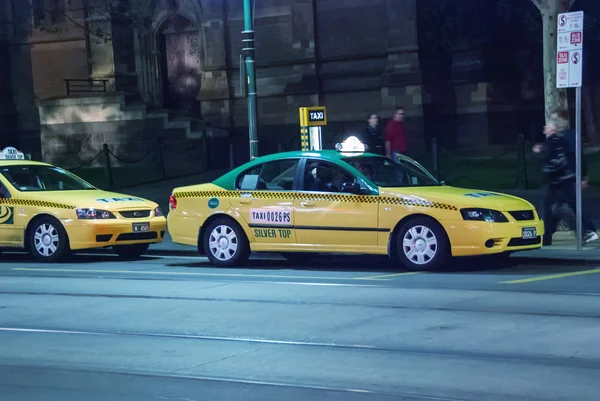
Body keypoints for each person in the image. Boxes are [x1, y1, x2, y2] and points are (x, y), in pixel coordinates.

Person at [533, 111, 598, 245]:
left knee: (556, 207)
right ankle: (584, 231)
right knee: (558, 206)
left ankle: (585, 231)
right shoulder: (569, 136)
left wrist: (541, 152)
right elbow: (579, 156)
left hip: (561, 179)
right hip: (567, 178)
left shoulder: (558, 138)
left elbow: (558, 158)